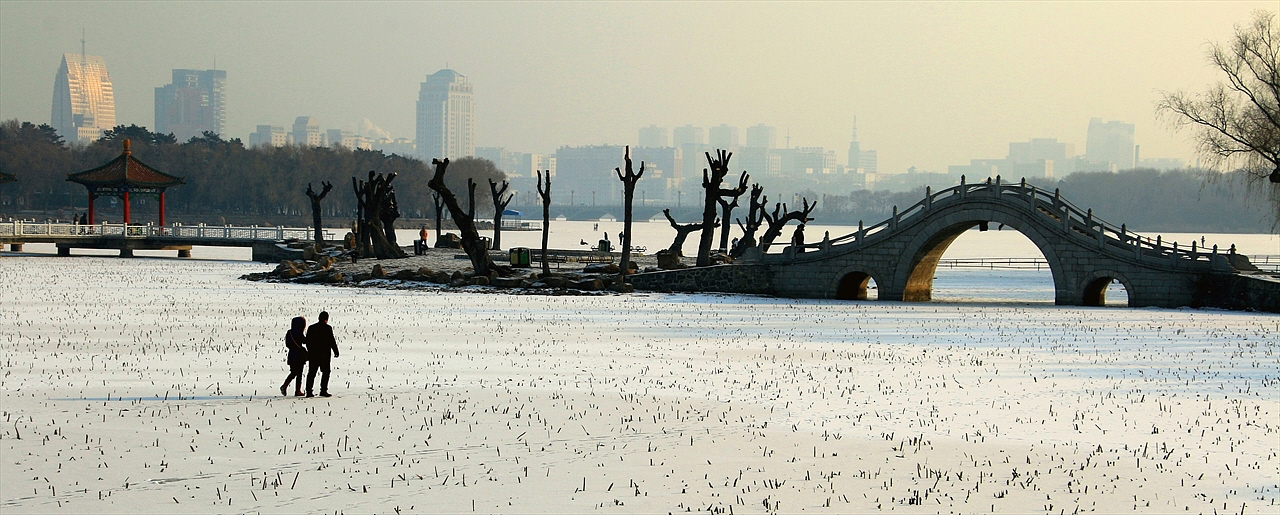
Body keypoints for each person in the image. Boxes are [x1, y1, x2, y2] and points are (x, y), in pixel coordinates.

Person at [305, 311, 339, 398]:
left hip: (313, 354)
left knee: (311, 373)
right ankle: (323, 390)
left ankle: (309, 391)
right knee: (326, 372)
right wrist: (336, 351)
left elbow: (307, 341)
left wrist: (310, 351)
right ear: (326, 319)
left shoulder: (311, 328)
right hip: (324, 355)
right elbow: (332, 341)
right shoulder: (328, 328)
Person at [280, 317, 308, 396]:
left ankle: (286, 386)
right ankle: (296, 390)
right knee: (298, 373)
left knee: (293, 372)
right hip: (298, 355)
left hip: (291, 354)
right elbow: (304, 341)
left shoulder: (289, 332)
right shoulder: (298, 332)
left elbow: (287, 344)